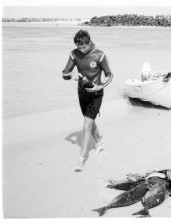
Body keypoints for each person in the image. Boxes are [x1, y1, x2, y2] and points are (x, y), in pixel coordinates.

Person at [62, 30, 113, 172]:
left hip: (96, 94)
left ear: (89, 42)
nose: (81, 49)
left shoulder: (99, 55)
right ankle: (100, 141)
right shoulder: (74, 54)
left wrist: (99, 86)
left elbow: (110, 75)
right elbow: (64, 73)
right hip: (82, 94)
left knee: (86, 125)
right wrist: (69, 75)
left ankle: (81, 159)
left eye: (84, 47)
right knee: (89, 121)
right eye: (79, 47)